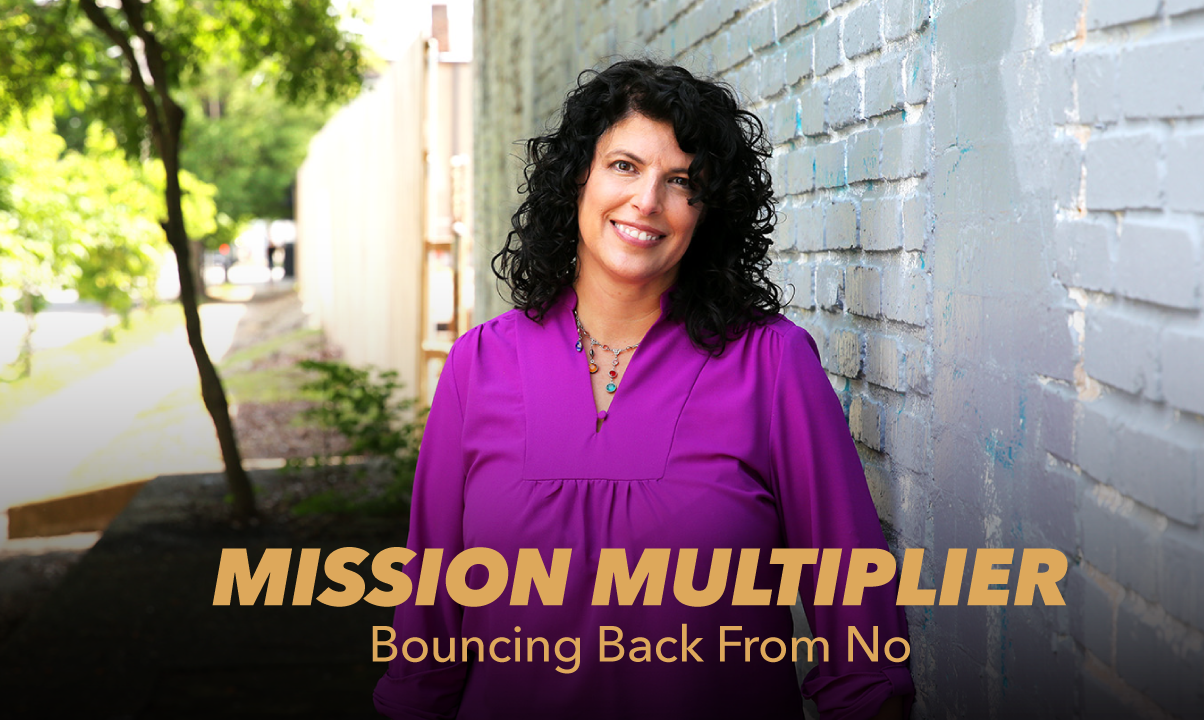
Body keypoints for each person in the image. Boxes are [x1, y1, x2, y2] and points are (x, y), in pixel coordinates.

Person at [373, 59, 913, 719]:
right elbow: (427, 631)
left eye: (681, 181)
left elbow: (864, 645)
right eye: (624, 166)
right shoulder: (479, 366)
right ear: (579, 176)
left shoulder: (771, 367)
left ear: (707, 210)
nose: (647, 202)